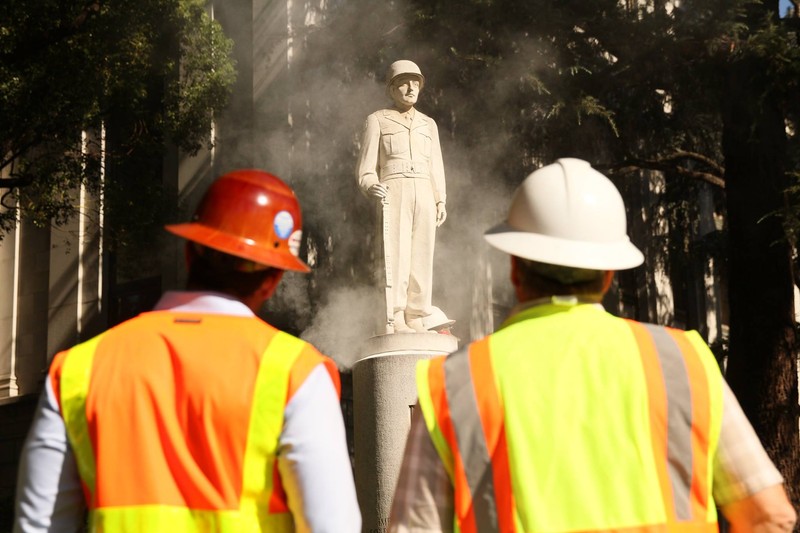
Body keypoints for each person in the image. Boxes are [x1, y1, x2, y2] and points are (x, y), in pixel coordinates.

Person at [388, 158, 796, 533]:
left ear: (514, 266)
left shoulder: (457, 384)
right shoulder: (684, 362)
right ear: (609, 273)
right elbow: (769, 516)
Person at [14, 169, 361, 532]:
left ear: (190, 252)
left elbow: (38, 525)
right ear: (273, 279)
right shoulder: (296, 372)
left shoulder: (77, 369)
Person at [356, 59, 449, 333]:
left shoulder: (428, 124)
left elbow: (436, 165)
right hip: (393, 189)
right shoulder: (377, 120)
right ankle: (395, 314)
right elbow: (365, 168)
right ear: (392, 88)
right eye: (404, 83)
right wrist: (370, 184)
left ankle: (417, 314)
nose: (411, 88)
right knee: (396, 253)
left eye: (416, 83)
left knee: (422, 254)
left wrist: (440, 197)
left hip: (423, 188)